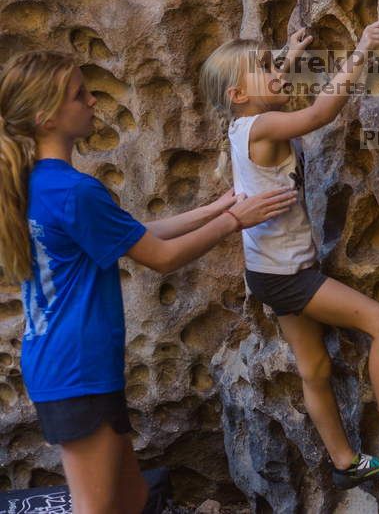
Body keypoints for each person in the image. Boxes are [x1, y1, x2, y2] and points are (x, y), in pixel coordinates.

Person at [0, 50, 298, 513]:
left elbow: (134, 236)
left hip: (67, 365)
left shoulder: (41, 184)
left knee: (135, 497)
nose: (93, 101)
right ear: (47, 118)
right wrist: (234, 222)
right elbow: (159, 258)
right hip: (76, 371)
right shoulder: (75, 191)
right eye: (80, 95)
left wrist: (216, 208)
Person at [198, 21, 379, 490]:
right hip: (290, 276)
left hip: (266, 272)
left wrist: (288, 55)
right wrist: (363, 47)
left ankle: (345, 462)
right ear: (238, 94)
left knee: (315, 369)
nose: (277, 72)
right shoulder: (263, 125)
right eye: (265, 68)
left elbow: (262, 92)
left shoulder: (242, 122)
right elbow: (318, 114)